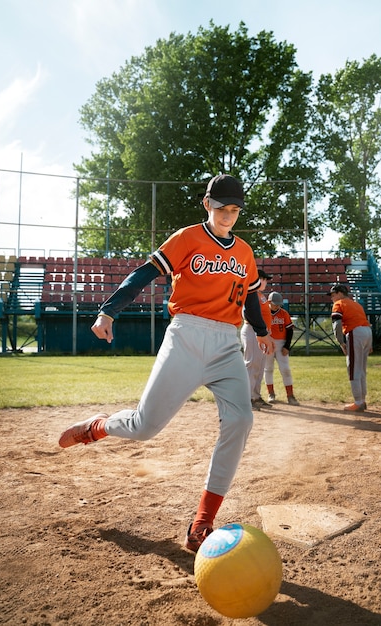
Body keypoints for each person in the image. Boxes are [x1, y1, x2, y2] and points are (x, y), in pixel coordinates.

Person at [58, 174, 274, 553]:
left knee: (241, 420)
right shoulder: (187, 238)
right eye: (222, 207)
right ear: (207, 204)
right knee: (145, 427)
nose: (228, 214)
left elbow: (251, 295)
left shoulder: (244, 251)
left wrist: (261, 330)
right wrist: (109, 311)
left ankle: (202, 522)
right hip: (187, 335)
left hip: (227, 343)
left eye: (235, 209)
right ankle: (98, 427)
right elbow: (144, 273)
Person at [328, 283, 373, 411]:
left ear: (340, 293)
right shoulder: (356, 304)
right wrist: (370, 343)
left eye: (333, 294)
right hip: (367, 332)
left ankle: (358, 402)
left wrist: (341, 342)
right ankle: (362, 400)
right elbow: (366, 322)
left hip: (355, 332)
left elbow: (337, 325)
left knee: (353, 369)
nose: (331, 297)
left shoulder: (339, 304)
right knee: (361, 370)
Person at [240, 269, 273, 410]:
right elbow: (246, 313)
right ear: (257, 279)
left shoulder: (260, 295)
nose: (266, 282)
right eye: (264, 279)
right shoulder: (250, 293)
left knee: (259, 366)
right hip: (252, 331)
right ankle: (246, 399)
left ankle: (255, 396)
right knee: (252, 364)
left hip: (261, 333)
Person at [264, 291, 299, 406]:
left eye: (278, 304)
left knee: (285, 369)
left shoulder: (284, 313)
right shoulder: (264, 312)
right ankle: (271, 394)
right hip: (268, 343)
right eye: (275, 304)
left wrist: (287, 346)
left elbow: (289, 330)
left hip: (281, 343)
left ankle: (290, 395)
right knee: (268, 369)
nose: (277, 306)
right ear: (268, 302)